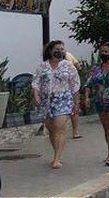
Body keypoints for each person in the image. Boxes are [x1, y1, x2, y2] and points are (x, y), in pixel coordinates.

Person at [32, 40, 80, 169]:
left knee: (59, 127)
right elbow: (36, 82)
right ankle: (56, 152)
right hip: (47, 101)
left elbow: (75, 85)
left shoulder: (68, 66)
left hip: (63, 100)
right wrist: (36, 95)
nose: (60, 51)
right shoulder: (43, 66)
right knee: (51, 129)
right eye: (57, 49)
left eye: (62, 49)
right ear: (50, 51)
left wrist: (76, 103)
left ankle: (57, 158)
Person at [64, 50, 83, 139]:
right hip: (70, 85)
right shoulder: (68, 54)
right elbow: (78, 65)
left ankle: (73, 131)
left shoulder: (67, 55)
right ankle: (75, 132)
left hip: (69, 86)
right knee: (74, 107)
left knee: (74, 107)